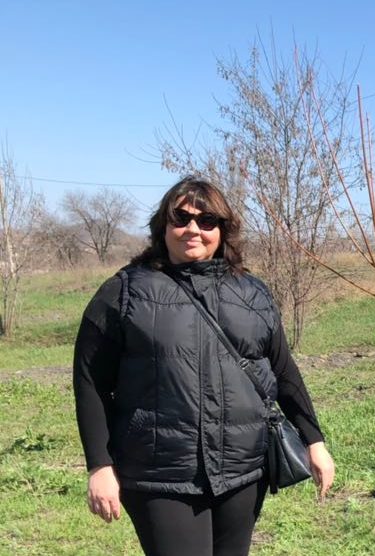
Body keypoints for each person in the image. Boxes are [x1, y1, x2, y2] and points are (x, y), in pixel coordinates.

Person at [73, 176, 336, 556]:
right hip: (160, 475)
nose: (193, 229)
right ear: (163, 226)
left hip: (243, 470)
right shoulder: (125, 292)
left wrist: (315, 441)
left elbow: (283, 371)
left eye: (207, 220)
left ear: (223, 230)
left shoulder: (252, 293)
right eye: (181, 218)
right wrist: (99, 465)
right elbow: (90, 382)